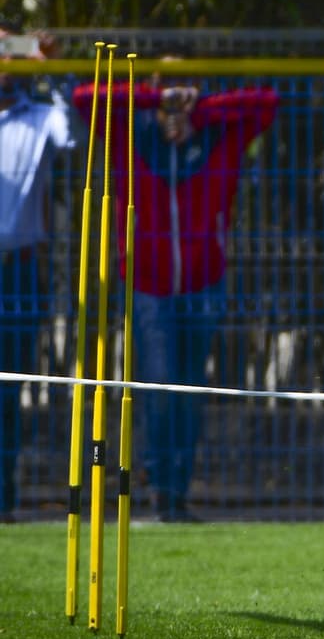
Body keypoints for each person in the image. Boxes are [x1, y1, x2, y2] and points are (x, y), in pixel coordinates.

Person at [73, 57, 277, 521]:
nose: (176, 93)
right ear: (153, 86)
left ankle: (179, 493)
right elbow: (85, 99)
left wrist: (200, 112)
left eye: (186, 84)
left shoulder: (218, 133)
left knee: (189, 391)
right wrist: (156, 102)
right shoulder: (132, 132)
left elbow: (268, 103)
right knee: (159, 388)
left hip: (205, 282)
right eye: (167, 85)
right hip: (147, 286)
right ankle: (159, 488)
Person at [0, 26, 72, 523]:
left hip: (19, 273)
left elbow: (72, 136)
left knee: (9, 392)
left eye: (12, 49)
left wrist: (51, 69)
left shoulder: (41, 114)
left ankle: (2, 496)